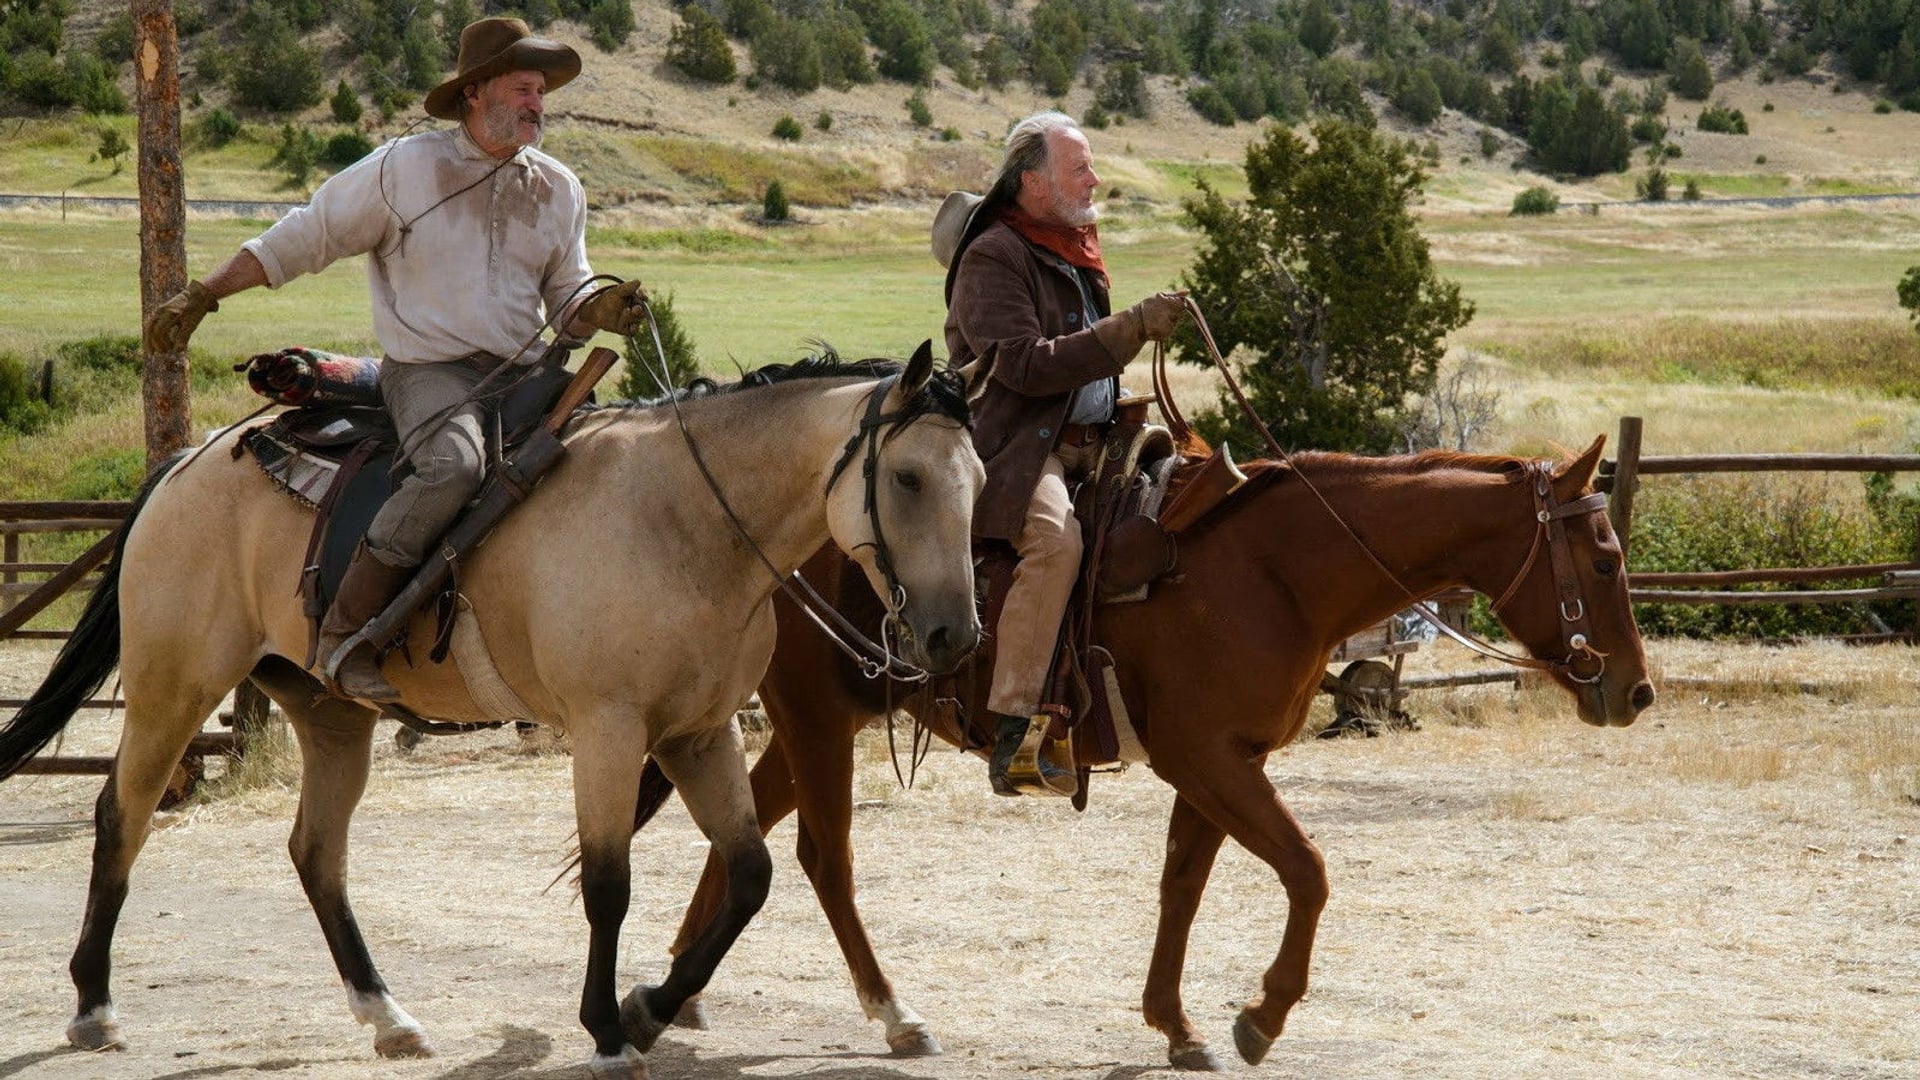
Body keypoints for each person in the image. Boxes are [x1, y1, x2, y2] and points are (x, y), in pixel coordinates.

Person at [144, 17, 647, 703]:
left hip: (527, 377)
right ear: (475, 93)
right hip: (430, 374)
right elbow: (308, 235)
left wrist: (600, 309)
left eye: (542, 91)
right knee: (455, 466)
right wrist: (204, 293)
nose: (537, 102)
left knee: (610, 460)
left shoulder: (559, 188)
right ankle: (346, 634)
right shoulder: (403, 168)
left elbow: (567, 300)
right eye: (523, 87)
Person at [933, 111, 1187, 796]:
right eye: (1080, 166)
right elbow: (1022, 368)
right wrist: (1131, 326)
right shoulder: (993, 256)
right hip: (1015, 449)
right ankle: (1014, 733)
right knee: (1055, 545)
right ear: (1032, 179)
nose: (1094, 177)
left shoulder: (1069, 245)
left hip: (1097, 443)